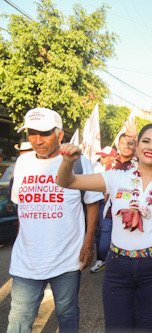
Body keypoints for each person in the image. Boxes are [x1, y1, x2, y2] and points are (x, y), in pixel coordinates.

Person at [56, 123, 152, 332]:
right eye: (146, 141)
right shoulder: (115, 177)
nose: (151, 147)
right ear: (136, 147)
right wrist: (67, 162)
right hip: (118, 266)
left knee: (147, 329)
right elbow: (67, 181)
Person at [8, 107, 102, 333]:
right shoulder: (22, 163)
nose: (37, 140)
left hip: (67, 259)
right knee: (19, 319)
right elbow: (21, 208)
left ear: (60, 135)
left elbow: (92, 203)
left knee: (67, 313)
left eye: (44, 133)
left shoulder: (79, 162)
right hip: (26, 262)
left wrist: (88, 245)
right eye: (32, 133)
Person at [90, 136, 136, 273]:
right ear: (118, 145)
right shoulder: (112, 166)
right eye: (123, 143)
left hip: (130, 213)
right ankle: (104, 261)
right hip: (110, 211)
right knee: (104, 244)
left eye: (130, 143)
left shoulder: (139, 165)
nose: (126, 146)